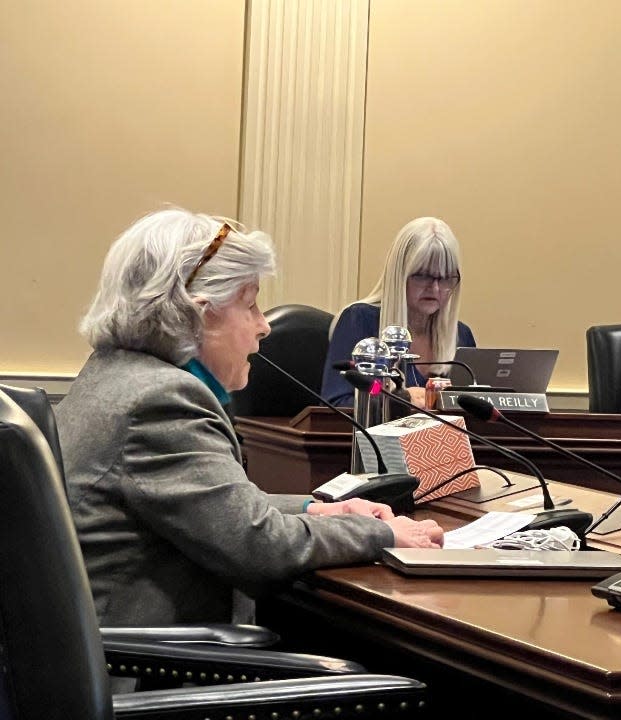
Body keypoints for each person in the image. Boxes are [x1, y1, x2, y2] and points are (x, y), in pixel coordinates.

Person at [56, 208, 443, 627]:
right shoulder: (162, 402)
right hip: (154, 669)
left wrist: (316, 510)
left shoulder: (113, 374)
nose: (264, 326)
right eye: (251, 304)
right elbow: (260, 546)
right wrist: (385, 535)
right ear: (200, 314)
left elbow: (216, 510)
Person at [322, 216, 476, 407]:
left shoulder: (462, 336)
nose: (435, 288)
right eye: (422, 276)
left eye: (446, 279)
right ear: (399, 275)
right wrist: (399, 398)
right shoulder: (359, 320)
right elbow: (338, 401)